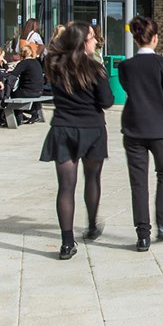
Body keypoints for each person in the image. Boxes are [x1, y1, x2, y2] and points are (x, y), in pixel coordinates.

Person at [39, 21, 115, 260]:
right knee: (92, 178)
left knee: (66, 187)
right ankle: (92, 225)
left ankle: (67, 242)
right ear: (83, 42)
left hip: (63, 129)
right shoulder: (95, 69)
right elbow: (107, 101)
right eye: (92, 37)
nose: (96, 41)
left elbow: (52, 51)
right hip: (92, 129)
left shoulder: (53, 65)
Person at [119, 16, 163, 252]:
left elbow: (129, 89)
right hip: (160, 128)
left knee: (138, 183)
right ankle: (161, 223)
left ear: (135, 38)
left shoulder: (125, 67)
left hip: (134, 127)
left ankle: (143, 235)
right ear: (156, 38)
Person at [9, 41, 46, 124]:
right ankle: (33, 113)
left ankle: (18, 117)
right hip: (39, 91)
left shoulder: (23, 63)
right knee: (20, 91)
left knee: (12, 94)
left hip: (28, 92)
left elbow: (13, 75)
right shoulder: (36, 62)